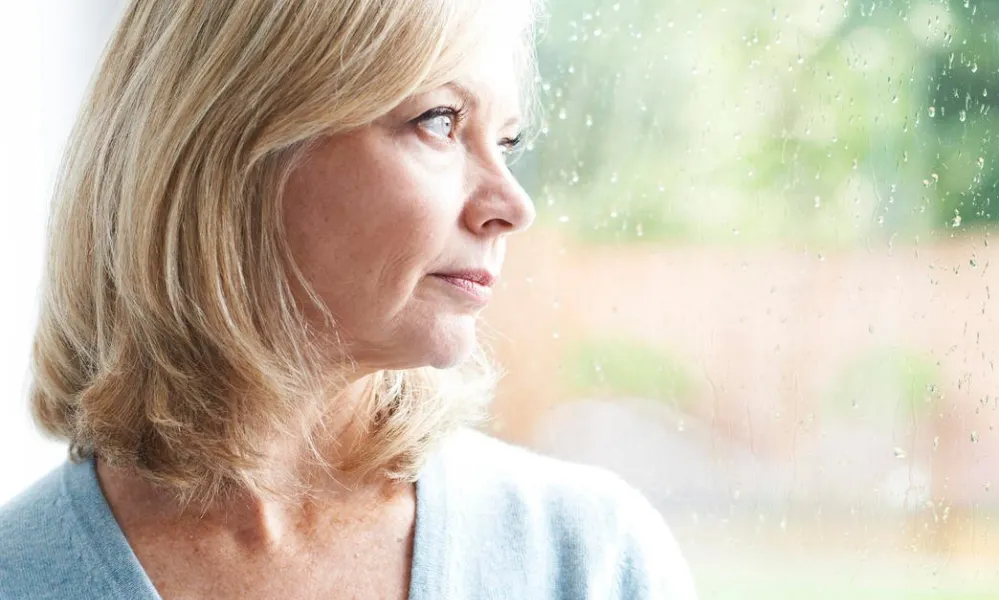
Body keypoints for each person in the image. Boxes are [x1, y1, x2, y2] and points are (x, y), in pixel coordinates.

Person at [0, 1, 697, 598]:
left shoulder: (586, 558)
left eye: (507, 141)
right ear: (231, 149)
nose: (513, 205)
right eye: (441, 122)